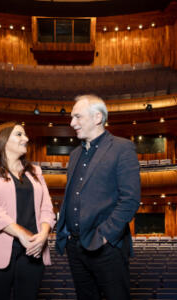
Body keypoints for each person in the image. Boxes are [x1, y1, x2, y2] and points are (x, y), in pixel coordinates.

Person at [56, 94, 141, 300]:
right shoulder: (75, 154)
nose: (72, 123)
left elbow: (130, 199)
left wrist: (104, 236)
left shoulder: (122, 148)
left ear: (96, 118)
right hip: (75, 246)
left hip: (106, 247)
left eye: (77, 117)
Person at [0, 122, 56, 300]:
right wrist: (21, 234)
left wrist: (44, 234)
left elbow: (47, 208)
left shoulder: (36, 172)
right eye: (19, 134)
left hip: (33, 248)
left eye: (25, 134)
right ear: (3, 140)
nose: (26, 138)